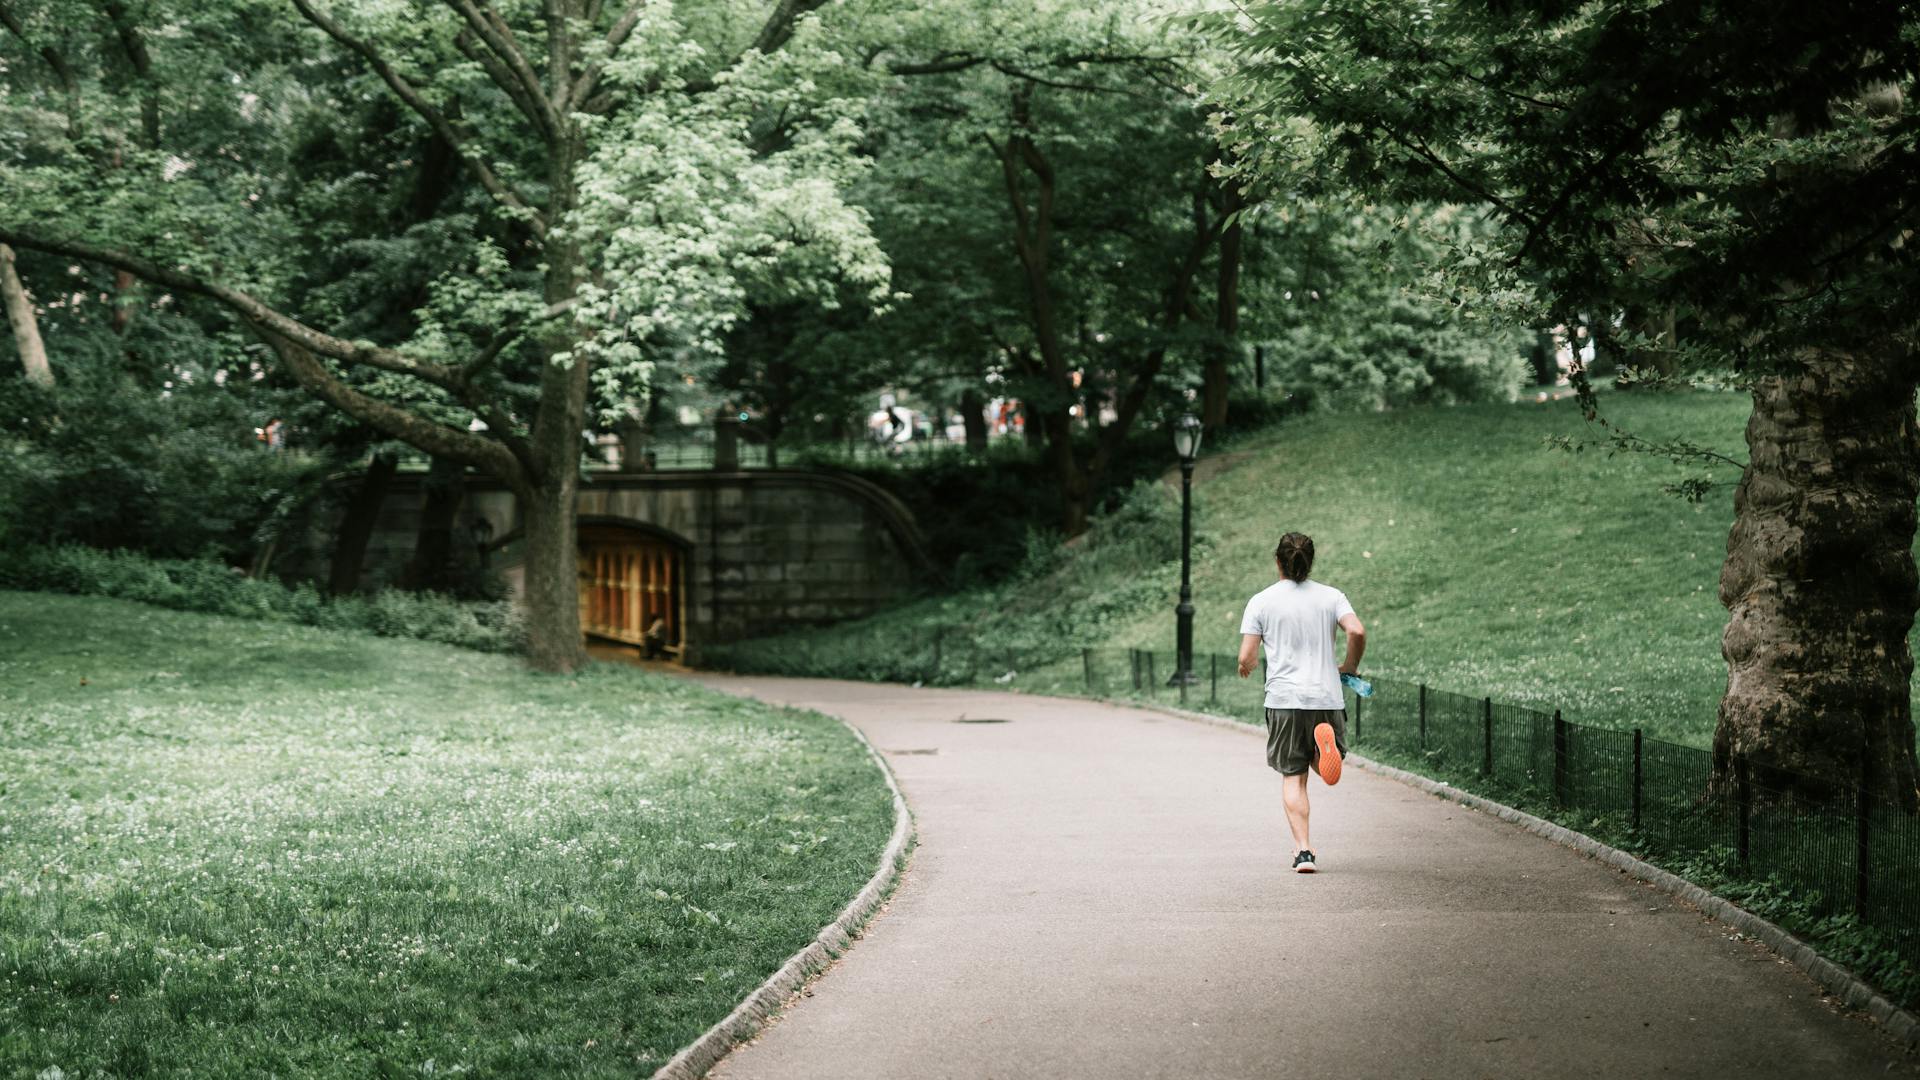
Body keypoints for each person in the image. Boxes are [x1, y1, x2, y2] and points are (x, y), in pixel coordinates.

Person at [1237, 532, 1366, 874]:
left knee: (1292, 776)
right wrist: (1350, 666)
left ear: (1277, 561)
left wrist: (1245, 666)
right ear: (1310, 562)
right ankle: (1324, 750)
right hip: (1326, 697)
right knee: (1318, 762)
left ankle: (1304, 852)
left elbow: (1247, 656)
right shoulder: (1332, 597)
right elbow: (1357, 631)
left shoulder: (1261, 601)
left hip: (1285, 700)